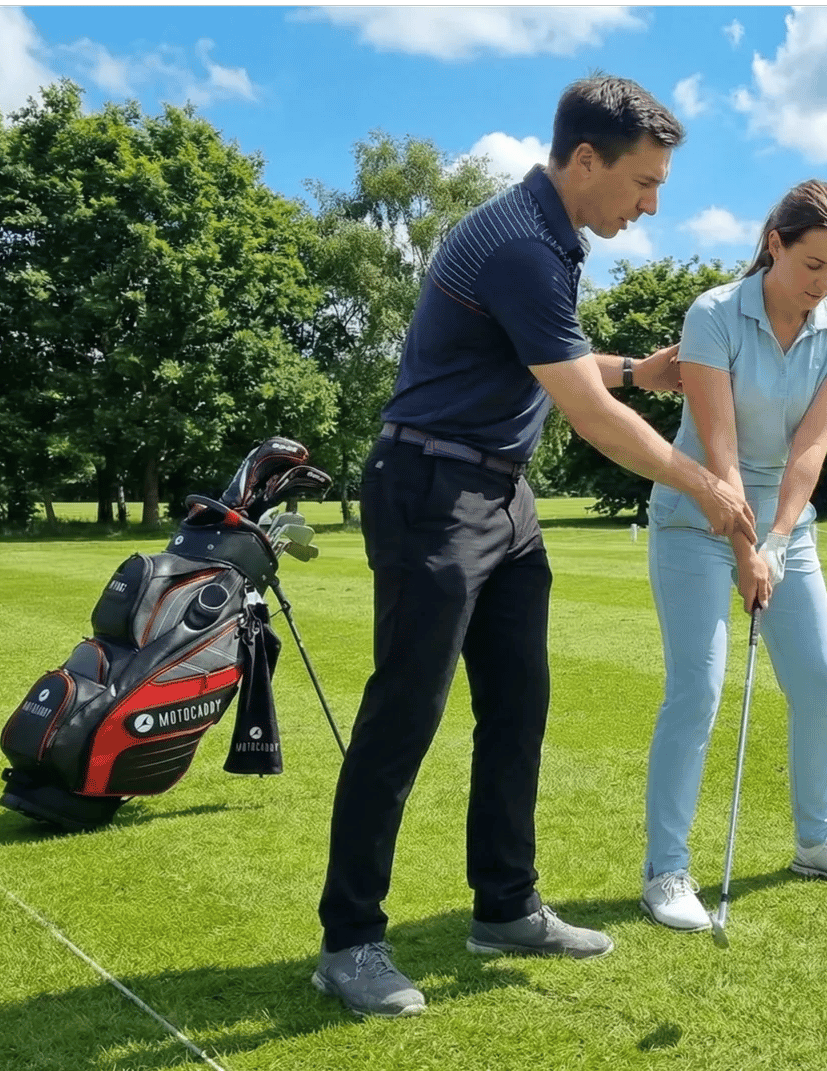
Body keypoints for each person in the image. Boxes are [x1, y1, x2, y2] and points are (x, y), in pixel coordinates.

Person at [313, 74, 756, 1018]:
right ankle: (349, 940)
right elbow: (587, 414)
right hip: (432, 488)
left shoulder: (547, 236)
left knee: (517, 708)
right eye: (643, 182)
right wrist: (708, 487)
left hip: (500, 496)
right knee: (405, 714)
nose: (652, 204)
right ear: (584, 160)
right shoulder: (521, 243)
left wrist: (638, 368)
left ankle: (505, 905)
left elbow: (558, 358)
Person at [637, 180, 827, 933]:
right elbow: (721, 452)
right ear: (774, 243)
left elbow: (809, 452)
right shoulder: (714, 314)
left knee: (819, 682)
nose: (823, 285)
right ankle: (666, 871)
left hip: (786, 523)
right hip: (694, 517)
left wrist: (776, 543)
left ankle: (817, 839)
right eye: (813, 264)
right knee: (698, 688)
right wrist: (746, 546)